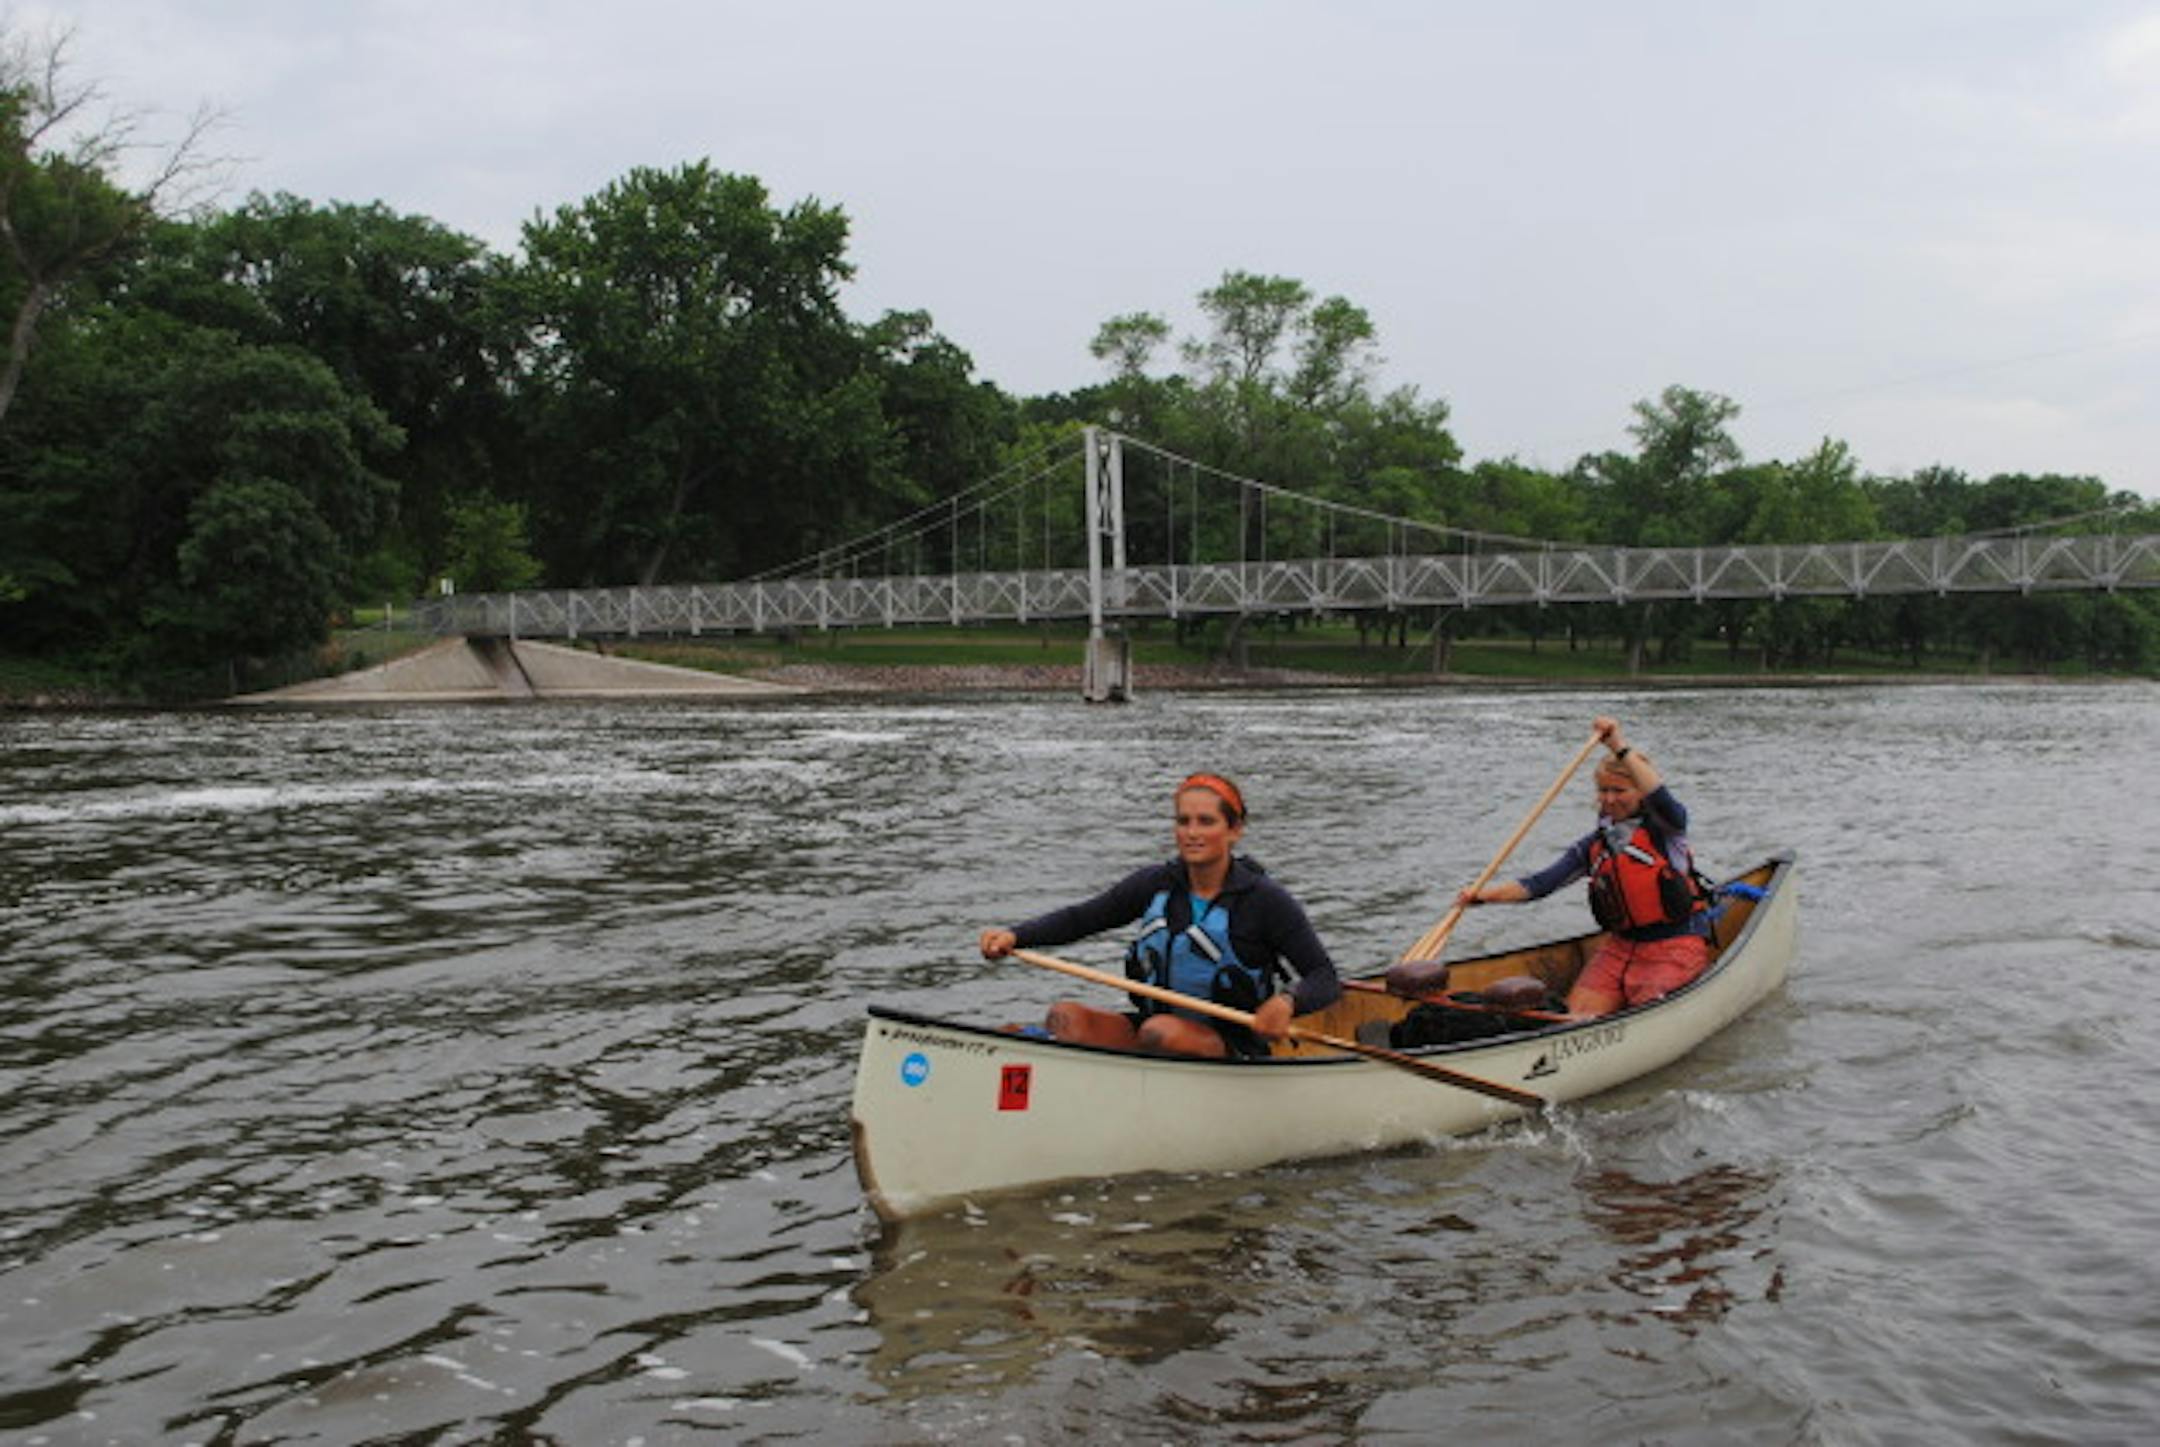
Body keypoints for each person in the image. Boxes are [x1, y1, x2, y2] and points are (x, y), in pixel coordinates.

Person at [978, 772, 1343, 1058]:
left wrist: (1286, 1002)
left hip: (1230, 1044)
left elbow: (1324, 977)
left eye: (1205, 821)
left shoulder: (1264, 900)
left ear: (1234, 830)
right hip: (1154, 1028)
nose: (1191, 833)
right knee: (1065, 1017)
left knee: (1162, 1033)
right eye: (1183, 822)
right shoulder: (1156, 883)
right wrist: (1016, 936)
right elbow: (1082, 919)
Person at [1455, 716, 1710, 1018]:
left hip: (1675, 945)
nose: (1609, 799)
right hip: (1620, 948)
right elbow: (1539, 885)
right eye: (1603, 791)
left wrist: (1617, 744)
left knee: (1648, 1008)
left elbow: (1662, 798)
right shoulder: (1594, 847)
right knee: (1573, 1017)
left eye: (1620, 790)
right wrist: (1483, 896)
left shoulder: (1668, 830)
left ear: (1640, 792)